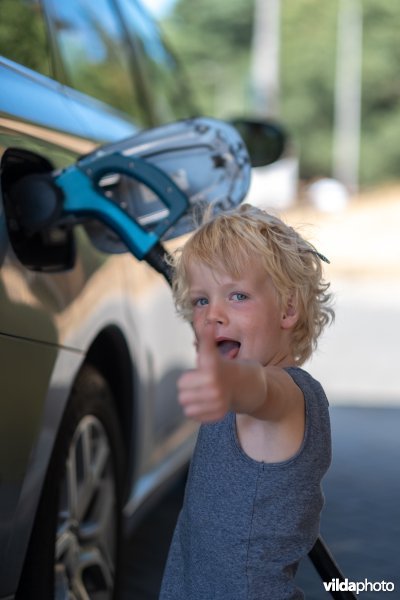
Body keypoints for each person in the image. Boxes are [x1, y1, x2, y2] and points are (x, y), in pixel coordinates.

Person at [159, 203, 334, 600]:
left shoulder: (288, 395)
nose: (212, 314)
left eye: (237, 295)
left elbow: (262, 393)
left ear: (288, 308)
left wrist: (231, 384)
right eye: (202, 300)